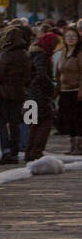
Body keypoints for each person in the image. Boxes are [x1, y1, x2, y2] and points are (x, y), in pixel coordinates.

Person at [0, 24, 32, 164]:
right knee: (15, 123)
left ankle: (6, 150)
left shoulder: (6, 54)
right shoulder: (25, 54)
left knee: (2, 123)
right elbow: (28, 75)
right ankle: (14, 151)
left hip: (3, 92)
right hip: (19, 92)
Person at [24, 32, 58, 162]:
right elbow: (41, 75)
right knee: (45, 122)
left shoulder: (30, 53)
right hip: (39, 95)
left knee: (32, 124)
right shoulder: (42, 56)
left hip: (29, 95)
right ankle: (36, 151)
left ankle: (29, 152)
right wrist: (52, 86)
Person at [55, 26, 81, 154]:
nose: (71, 39)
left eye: (73, 36)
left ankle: (78, 146)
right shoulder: (63, 53)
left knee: (77, 118)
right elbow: (58, 72)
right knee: (68, 118)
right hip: (64, 90)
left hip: (77, 90)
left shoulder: (80, 53)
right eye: (68, 36)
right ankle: (72, 145)